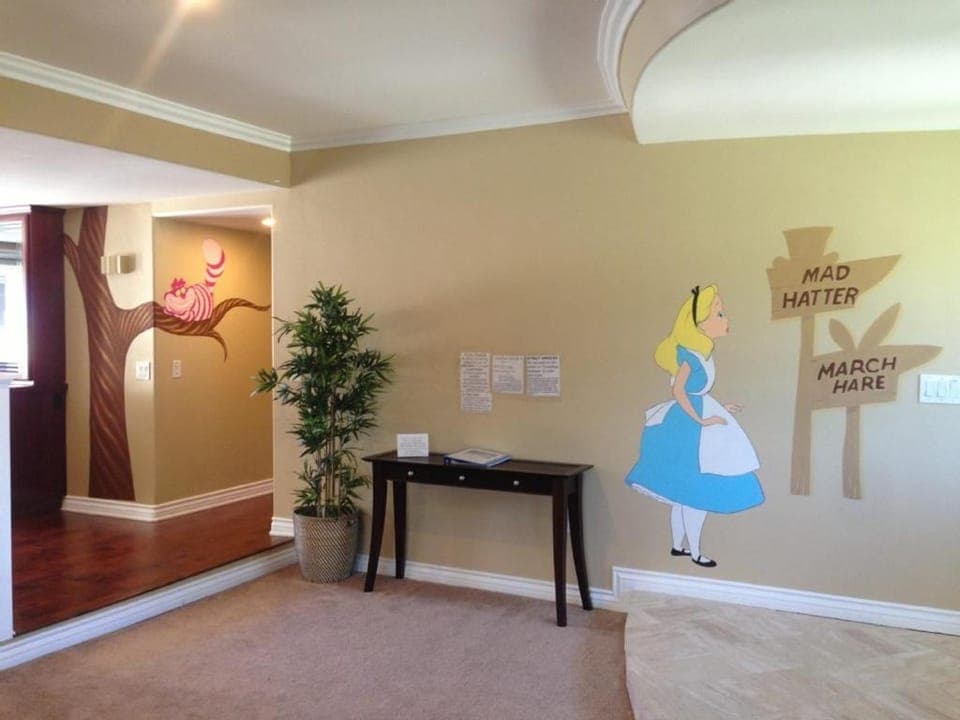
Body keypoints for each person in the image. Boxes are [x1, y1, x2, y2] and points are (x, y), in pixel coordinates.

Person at [624, 284, 763, 567]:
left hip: (695, 416)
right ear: (700, 323)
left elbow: (697, 393)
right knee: (695, 492)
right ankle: (695, 552)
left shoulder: (702, 354)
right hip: (688, 428)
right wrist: (701, 419)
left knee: (684, 494)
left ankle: (679, 547)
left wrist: (721, 409)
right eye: (719, 314)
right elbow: (679, 391)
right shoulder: (689, 355)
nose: (726, 319)